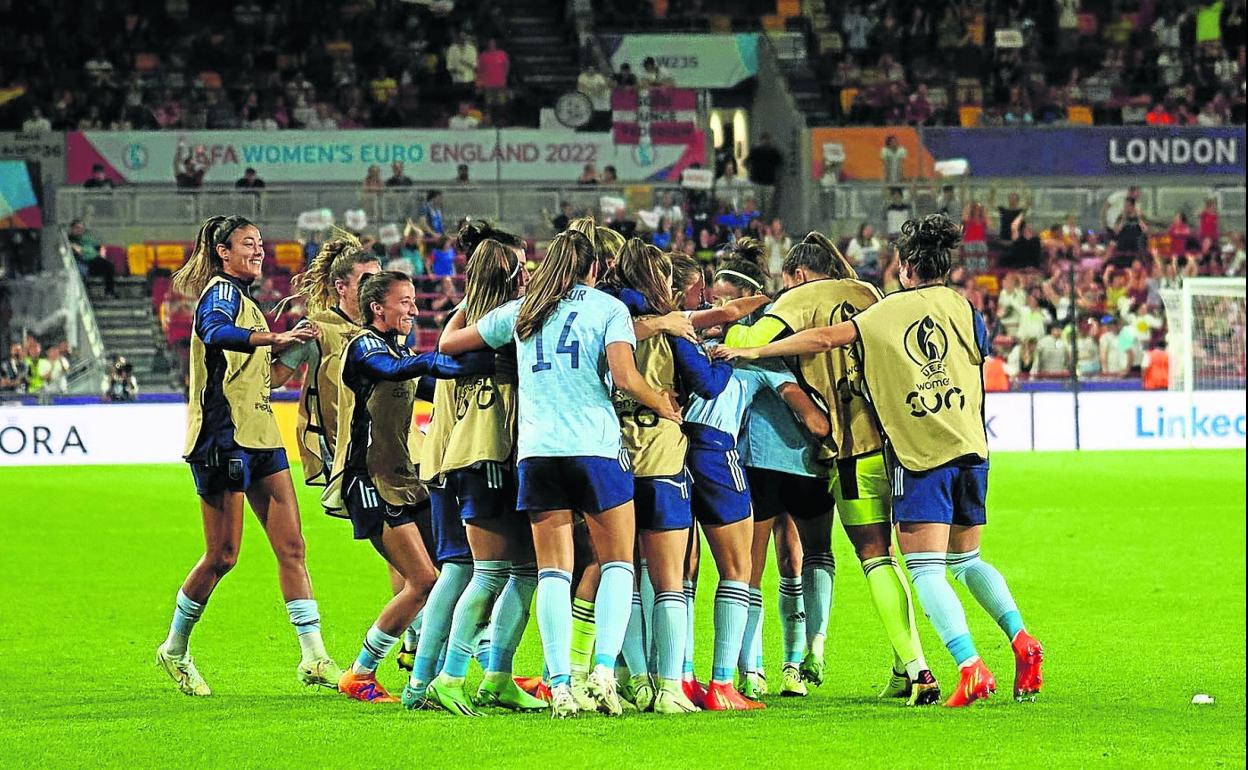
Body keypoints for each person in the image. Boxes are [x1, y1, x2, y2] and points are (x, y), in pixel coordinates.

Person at [718, 213, 1045, 707]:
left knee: (890, 561)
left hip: (883, 452)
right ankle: (1012, 640)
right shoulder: (940, 302)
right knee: (964, 558)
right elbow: (972, 355)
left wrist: (748, 346)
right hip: (959, 446)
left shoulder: (873, 308)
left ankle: (939, 666)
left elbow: (811, 339)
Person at [438, 230, 682, 718]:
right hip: (593, 448)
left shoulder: (523, 310)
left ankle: (560, 685)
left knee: (553, 570)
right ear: (593, 270)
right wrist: (664, 405)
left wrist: (471, 300)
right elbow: (625, 377)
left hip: (537, 454)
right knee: (617, 564)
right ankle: (605, 671)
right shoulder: (607, 308)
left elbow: (450, 342)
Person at [721, 232, 940, 704]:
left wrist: (740, 317)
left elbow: (745, 340)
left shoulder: (794, 301)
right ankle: (899, 665)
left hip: (846, 447)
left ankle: (915, 668)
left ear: (797, 274)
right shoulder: (869, 293)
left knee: (873, 556)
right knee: (899, 558)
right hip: (897, 443)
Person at [156, 215, 342, 697]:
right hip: (223, 437)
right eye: (248, 244)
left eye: (260, 243)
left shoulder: (250, 305)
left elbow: (266, 379)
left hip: (261, 435)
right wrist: (274, 337)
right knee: (223, 555)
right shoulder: (220, 294)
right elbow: (216, 332)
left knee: (293, 547)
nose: (259, 251)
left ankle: (314, 656)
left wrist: (296, 352)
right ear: (222, 251)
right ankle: (174, 649)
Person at [322, 270, 486, 703]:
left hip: (406, 479)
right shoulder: (364, 347)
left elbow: (432, 383)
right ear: (379, 308)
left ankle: (455, 669)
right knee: (423, 578)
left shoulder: (399, 349)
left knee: (453, 573)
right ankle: (360, 672)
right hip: (369, 482)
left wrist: (477, 368)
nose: (414, 308)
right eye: (406, 301)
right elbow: (391, 370)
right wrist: (435, 358)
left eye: (414, 301)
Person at [407, 221, 547, 716]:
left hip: (454, 458)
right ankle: (445, 677)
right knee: (484, 572)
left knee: (502, 571)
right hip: (483, 458)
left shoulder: (464, 324)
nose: (531, 276)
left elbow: (445, 360)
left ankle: (469, 678)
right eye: (524, 267)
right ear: (509, 274)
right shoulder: (502, 326)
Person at [705, 254, 831, 700]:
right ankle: (778, 664)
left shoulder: (751, 355)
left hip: (765, 469)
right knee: (782, 564)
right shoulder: (765, 351)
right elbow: (816, 421)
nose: (715, 310)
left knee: (766, 567)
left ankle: (765, 667)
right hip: (790, 466)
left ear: (744, 303)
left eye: (722, 301)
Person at [67, 219, 116, 297]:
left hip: (94, 260)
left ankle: (109, 292)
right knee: (81, 272)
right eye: (77, 228)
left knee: (109, 266)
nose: (79, 230)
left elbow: (99, 246)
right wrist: (76, 248)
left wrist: (102, 254)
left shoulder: (86, 238)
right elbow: (76, 251)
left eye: (81, 228)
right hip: (82, 262)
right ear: (72, 228)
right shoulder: (69, 239)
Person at [744, 134, 782, 217]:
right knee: (758, 206)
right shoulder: (755, 151)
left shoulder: (773, 152)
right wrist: (750, 174)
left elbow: (779, 164)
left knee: (768, 206)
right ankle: (758, 224)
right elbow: (746, 162)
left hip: (769, 183)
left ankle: (766, 223)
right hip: (757, 182)